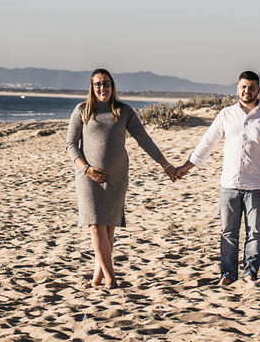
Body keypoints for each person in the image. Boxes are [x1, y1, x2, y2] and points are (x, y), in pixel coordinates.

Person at [66, 68, 177, 288]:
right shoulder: (82, 110)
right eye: (97, 84)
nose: (102, 88)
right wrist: (86, 168)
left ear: (112, 85)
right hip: (88, 178)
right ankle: (111, 278)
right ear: (91, 87)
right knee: (95, 225)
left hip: (116, 178)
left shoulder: (123, 111)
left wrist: (165, 165)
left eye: (105, 83)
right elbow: (71, 145)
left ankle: (97, 277)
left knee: (108, 228)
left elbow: (144, 140)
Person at [175, 71, 260, 286]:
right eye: (243, 87)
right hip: (229, 184)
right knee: (228, 232)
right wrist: (187, 167)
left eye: (252, 87)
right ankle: (228, 274)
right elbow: (207, 144)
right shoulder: (226, 114)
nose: (247, 91)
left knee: (255, 232)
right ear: (237, 88)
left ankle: (250, 273)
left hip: (257, 185)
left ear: (259, 90)